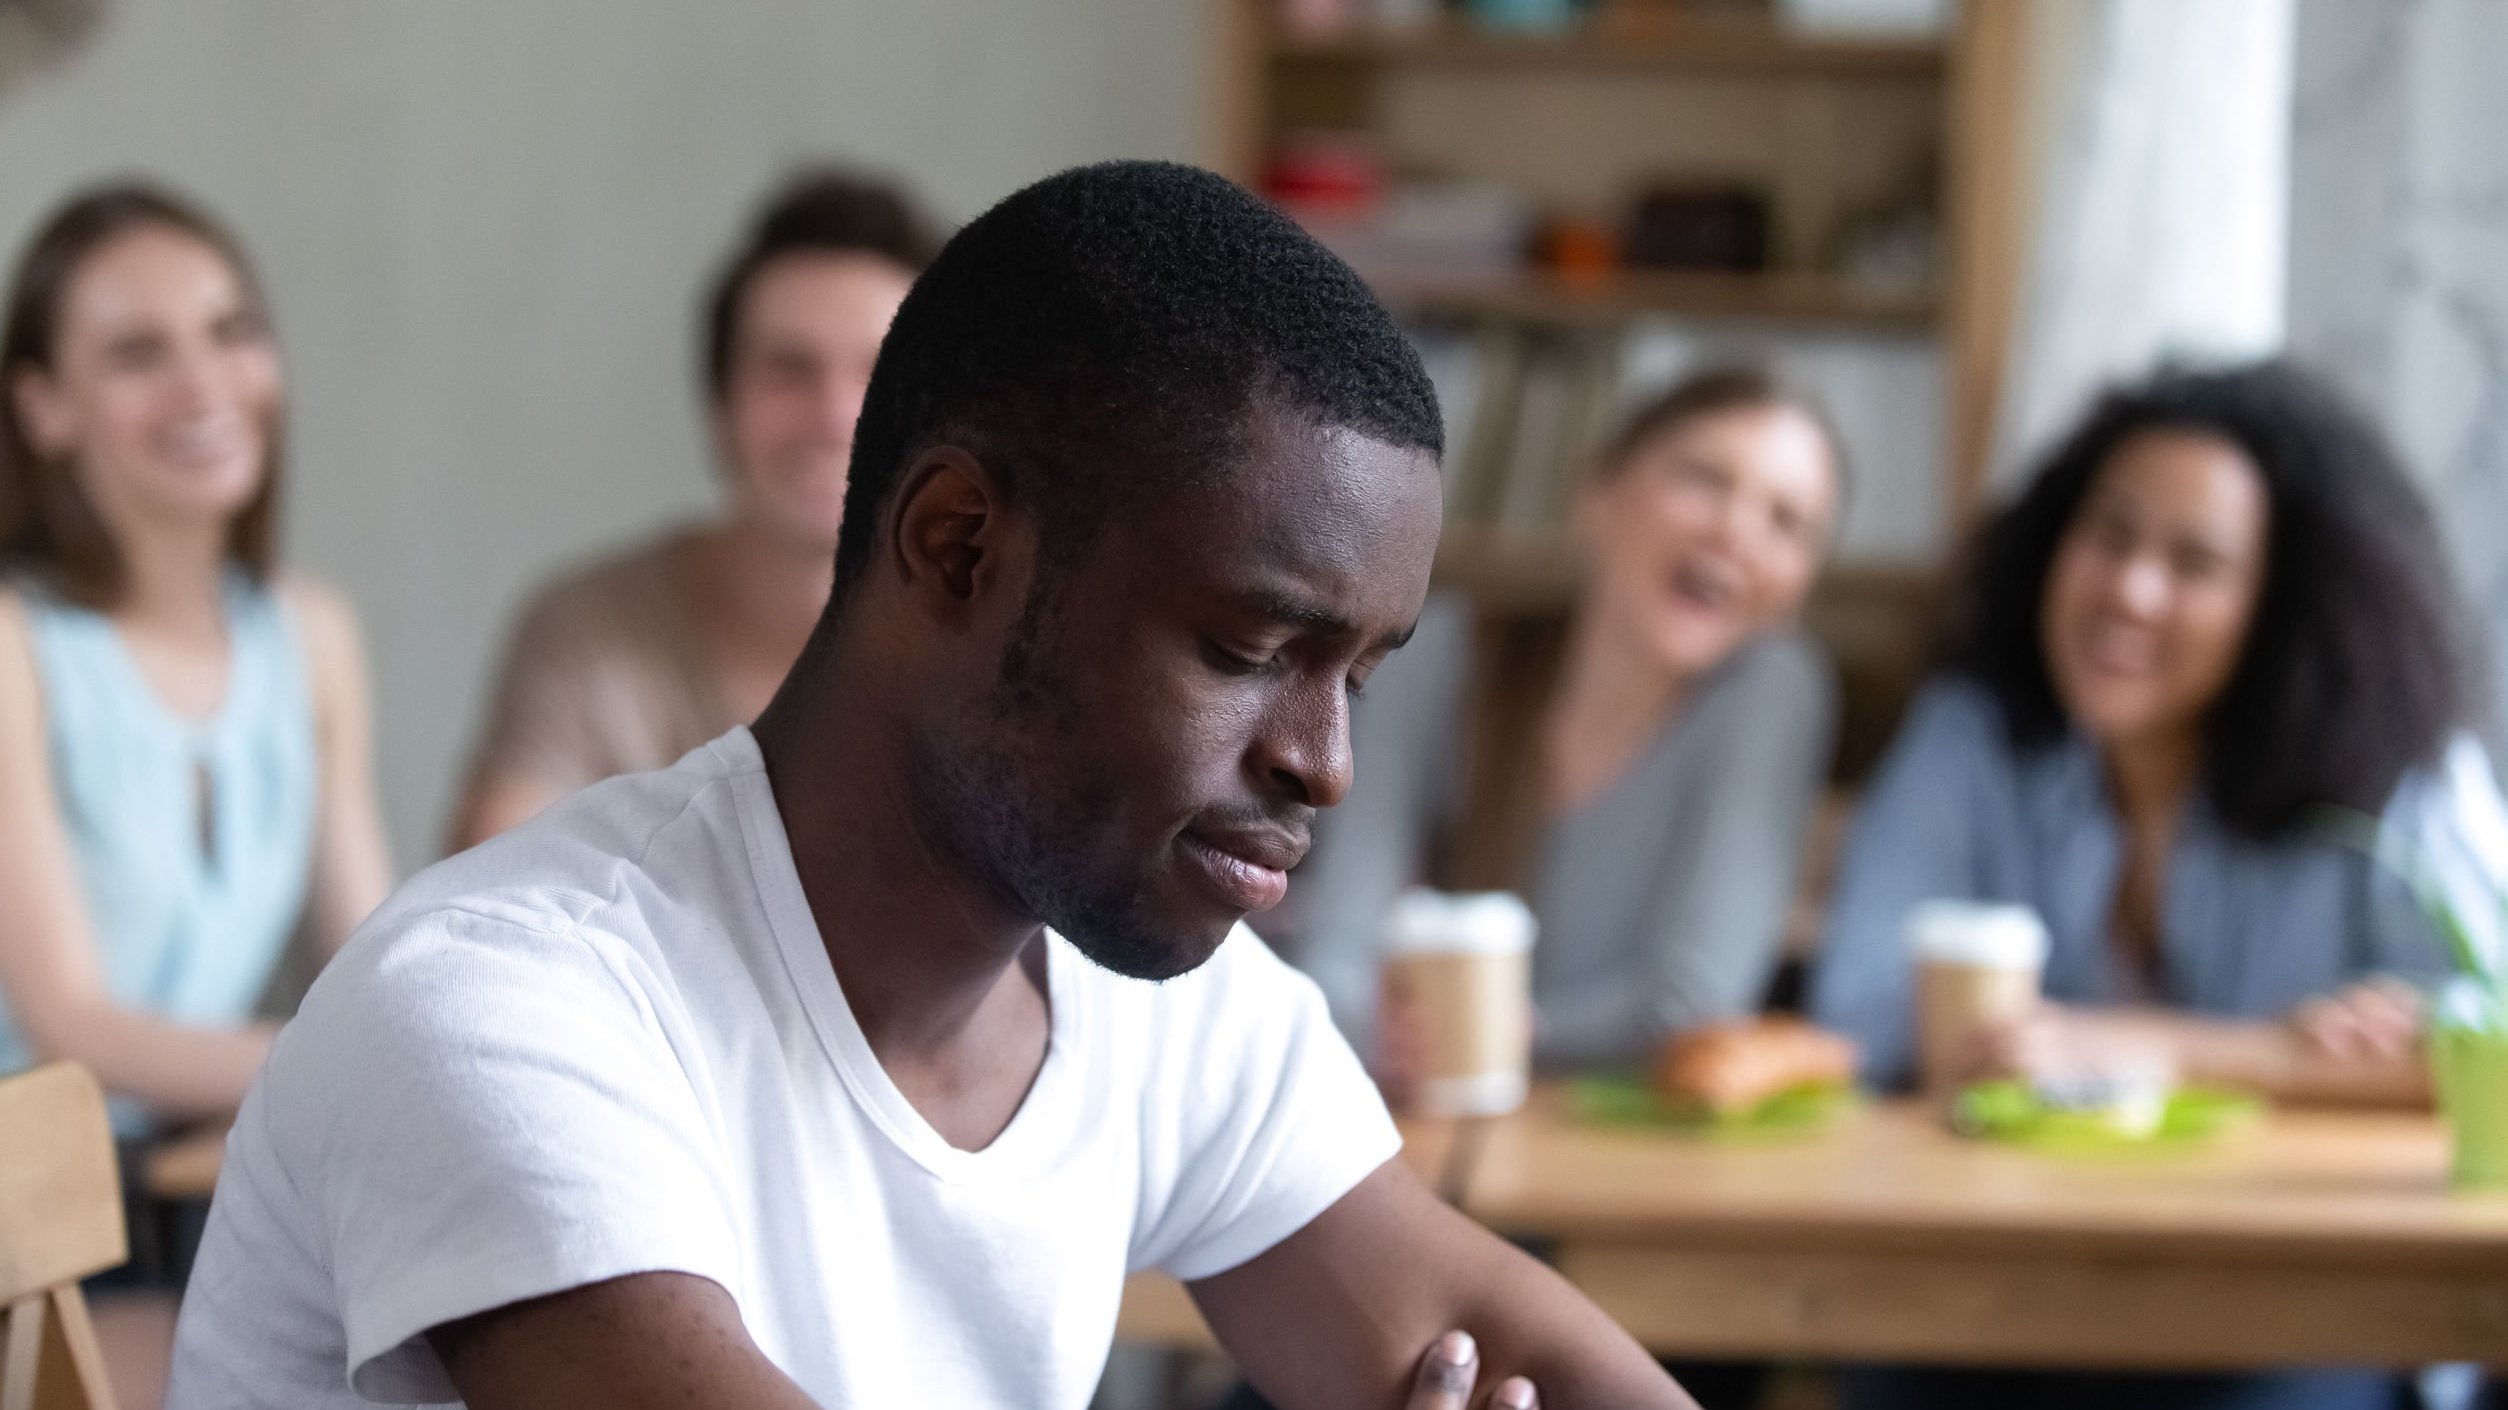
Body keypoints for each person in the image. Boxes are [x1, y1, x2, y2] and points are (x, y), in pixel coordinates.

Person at [164, 162, 1694, 1409]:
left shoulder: (1157, 997)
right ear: (959, 545)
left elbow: (1520, 1354)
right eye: (1246, 646)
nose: (1325, 760)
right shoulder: (508, 1007)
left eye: (1355, 676)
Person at [1811, 360, 2505, 1410]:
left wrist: (2149, 1050)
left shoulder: (2398, 770)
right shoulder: (1975, 737)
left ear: (2278, 606)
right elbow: (1861, 1012)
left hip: (2299, 1299)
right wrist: (2294, 1055)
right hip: (2011, 1285)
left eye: (2196, 563)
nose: (2130, 590)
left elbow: (2482, 1047)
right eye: (2111, 535)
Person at [0, 183, 394, 1408]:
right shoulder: (12, 640)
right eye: (136, 353)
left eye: (229, 331)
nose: (204, 384)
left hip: (188, 1189)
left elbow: (375, 958)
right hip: (26, 1199)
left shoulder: (309, 634)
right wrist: (329, 1065)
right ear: (43, 408)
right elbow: (69, 1022)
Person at [1292, 368, 1842, 1082]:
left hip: (1610, 1146)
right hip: (1414, 1110)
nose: (1737, 529)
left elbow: (1693, 1005)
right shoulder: (1439, 656)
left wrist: (1509, 1035)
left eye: (1786, 521)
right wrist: (1375, 1031)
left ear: (1801, 583)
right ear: (1599, 494)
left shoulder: (1772, 690)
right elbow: (1337, 952)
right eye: (1705, 479)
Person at [447, 168, 938, 848]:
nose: (836, 415)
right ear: (721, 408)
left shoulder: (1006, 648)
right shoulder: (585, 632)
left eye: (881, 371)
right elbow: (483, 922)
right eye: (788, 369)